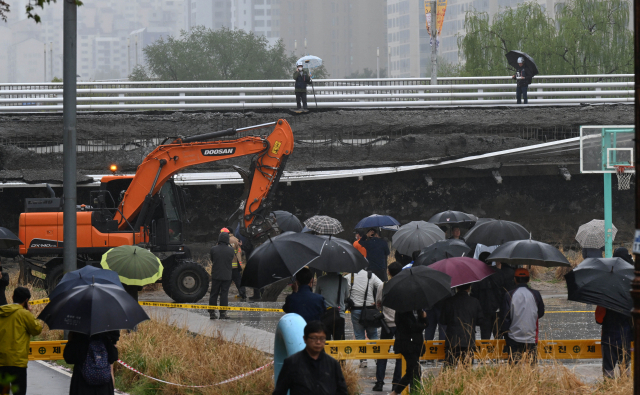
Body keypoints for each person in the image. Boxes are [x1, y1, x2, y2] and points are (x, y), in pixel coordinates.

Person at [273, 321, 348, 395]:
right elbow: (280, 391)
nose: (318, 342)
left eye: (322, 338)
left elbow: (342, 391)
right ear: (305, 339)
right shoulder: (292, 363)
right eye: (314, 338)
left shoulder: (333, 364)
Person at [0, 287, 43, 395]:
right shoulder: (24, 314)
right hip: (17, 363)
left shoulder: (1, 312)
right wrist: (30, 312)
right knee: (19, 392)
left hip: (1, 361)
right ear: (26, 301)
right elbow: (37, 330)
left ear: (12, 297)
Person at [500, 268, 545, 363]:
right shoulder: (536, 294)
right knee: (531, 366)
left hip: (513, 337)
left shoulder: (509, 294)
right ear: (528, 279)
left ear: (515, 279)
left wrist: (505, 333)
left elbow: (505, 317)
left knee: (514, 366)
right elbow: (540, 313)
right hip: (531, 336)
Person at [373, 262, 403, 392]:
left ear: (389, 272)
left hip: (386, 324)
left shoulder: (382, 285)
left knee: (382, 354)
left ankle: (379, 382)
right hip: (401, 324)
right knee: (400, 354)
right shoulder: (404, 285)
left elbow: (378, 304)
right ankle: (396, 383)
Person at [345, 269, 383, 368]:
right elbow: (381, 285)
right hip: (370, 309)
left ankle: (363, 360)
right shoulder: (371, 275)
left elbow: (344, 292)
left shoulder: (349, 277)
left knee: (359, 336)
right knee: (373, 334)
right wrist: (378, 300)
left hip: (356, 309)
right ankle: (376, 358)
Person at [440, 283, 484, 366]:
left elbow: (442, 320)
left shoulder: (448, 301)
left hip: (452, 339)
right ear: (469, 288)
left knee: (450, 367)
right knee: (467, 369)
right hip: (468, 339)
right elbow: (480, 321)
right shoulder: (474, 302)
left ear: (456, 288)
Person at [390, 310, 427, 395]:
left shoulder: (418, 310)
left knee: (413, 371)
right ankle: (400, 392)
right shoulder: (402, 311)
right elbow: (411, 326)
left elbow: (426, 324)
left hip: (417, 344)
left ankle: (396, 392)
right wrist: (422, 325)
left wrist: (424, 318)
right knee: (414, 371)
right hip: (406, 345)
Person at [471, 252, 503, 339]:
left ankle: (485, 352)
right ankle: (498, 352)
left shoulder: (477, 275)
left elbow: (474, 295)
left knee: (485, 337)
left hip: (484, 311)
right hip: (497, 310)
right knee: (498, 337)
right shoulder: (498, 273)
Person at [595, 306, 632, 378]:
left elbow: (599, 319)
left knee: (609, 369)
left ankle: (609, 385)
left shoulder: (604, 302)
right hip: (625, 339)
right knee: (625, 368)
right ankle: (625, 385)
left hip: (609, 340)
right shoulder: (629, 301)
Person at [315, 272, 349, 341]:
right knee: (340, 344)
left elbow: (317, 296)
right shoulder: (343, 280)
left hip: (325, 315)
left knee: (325, 343)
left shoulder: (321, 280)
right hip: (339, 315)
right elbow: (346, 297)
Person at [209, 231, 235, 319]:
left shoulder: (213, 249)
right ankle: (223, 313)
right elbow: (231, 259)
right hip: (227, 275)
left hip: (216, 274)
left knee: (214, 293)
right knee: (224, 294)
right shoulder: (231, 250)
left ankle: (212, 313)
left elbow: (212, 259)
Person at [221, 228, 247, 301]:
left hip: (226, 266)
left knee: (225, 282)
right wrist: (240, 264)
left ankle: (223, 296)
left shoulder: (221, 241)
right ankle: (243, 294)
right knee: (238, 281)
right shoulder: (236, 240)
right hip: (235, 265)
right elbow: (239, 252)